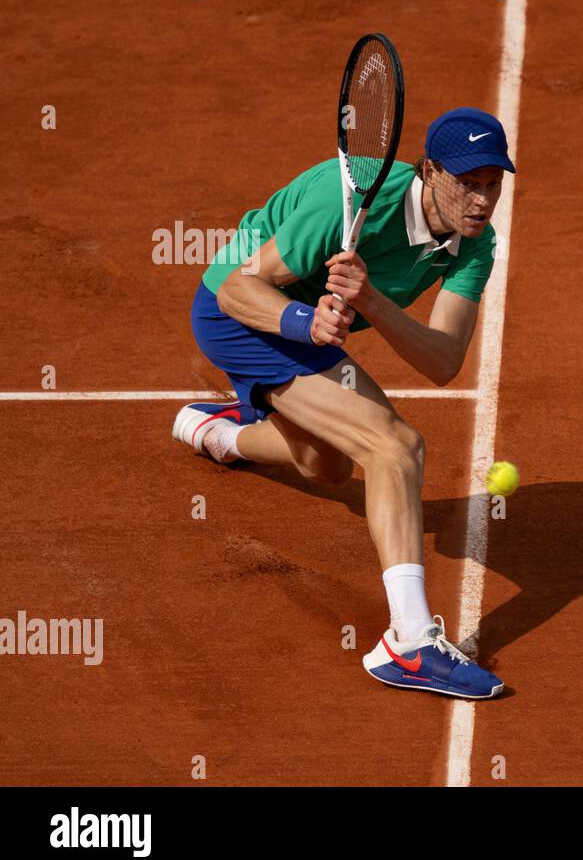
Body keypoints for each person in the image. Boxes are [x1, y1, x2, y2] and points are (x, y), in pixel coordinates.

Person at [173, 107, 513, 699]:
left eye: (493, 183)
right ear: (430, 171)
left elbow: (442, 361)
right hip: (241, 316)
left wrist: (372, 301)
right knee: (395, 445)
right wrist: (306, 321)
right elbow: (234, 290)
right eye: (468, 182)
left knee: (326, 465)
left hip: (308, 330)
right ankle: (408, 644)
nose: (482, 200)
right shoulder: (349, 200)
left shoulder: (473, 244)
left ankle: (222, 434)